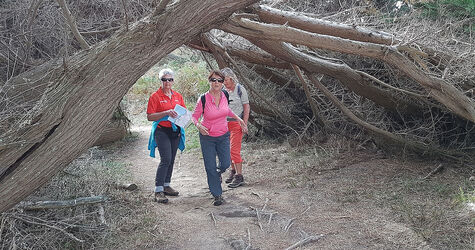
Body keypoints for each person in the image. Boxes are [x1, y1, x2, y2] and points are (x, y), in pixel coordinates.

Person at [192, 70, 247, 206]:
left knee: (225, 164)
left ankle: (217, 174)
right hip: (207, 137)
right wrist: (198, 125)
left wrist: (238, 118)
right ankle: (217, 194)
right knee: (210, 167)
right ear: (209, 81)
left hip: (223, 135)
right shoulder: (203, 99)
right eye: (213, 80)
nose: (216, 83)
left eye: (219, 80)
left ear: (223, 83)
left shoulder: (224, 95)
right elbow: (194, 116)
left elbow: (226, 110)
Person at [147, 68, 186, 203]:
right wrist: (166, 113)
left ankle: (166, 185)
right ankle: (158, 190)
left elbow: (184, 112)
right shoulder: (155, 96)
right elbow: (150, 116)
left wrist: (183, 120)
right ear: (161, 81)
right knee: (166, 159)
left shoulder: (178, 96)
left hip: (175, 131)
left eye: (170, 79)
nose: (167, 82)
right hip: (161, 130)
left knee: (172, 159)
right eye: (164, 79)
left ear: (173, 81)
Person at [221, 67, 250, 188]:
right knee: (227, 150)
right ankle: (233, 172)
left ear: (232, 78)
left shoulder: (240, 89)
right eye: (223, 80)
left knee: (234, 150)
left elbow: (246, 107)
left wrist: (244, 123)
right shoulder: (222, 90)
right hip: (223, 123)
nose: (225, 82)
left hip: (237, 123)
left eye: (226, 80)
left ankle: (239, 176)